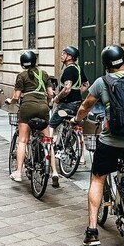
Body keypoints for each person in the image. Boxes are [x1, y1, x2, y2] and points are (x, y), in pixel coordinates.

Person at [71, 45, 124, 246]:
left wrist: (76, 120)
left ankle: (92, 231)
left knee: (97, 179)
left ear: (106, 65)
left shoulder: (101, 82)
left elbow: (85, 106)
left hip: (111, 142)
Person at [4, 50, 54, 182]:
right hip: (43, 108)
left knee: (23, 140)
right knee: (47, 139)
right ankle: (53, 171)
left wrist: (11, 101)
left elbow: (16, 96)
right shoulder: (44, 74)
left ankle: (19, 172)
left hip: (27, 108)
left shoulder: (21, 76)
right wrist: (47, 102)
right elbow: (50, 94)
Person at [48, 45, 84, 188]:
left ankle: (48, 148)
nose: (61, 55)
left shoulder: (69, 70)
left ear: (69, 56)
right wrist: (78, 93)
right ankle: (68, 145)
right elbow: (86, 85)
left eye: (64, 54)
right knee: (70, 124)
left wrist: (56, 98)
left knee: (51, 126)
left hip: (66, 106)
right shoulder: (79, 69)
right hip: (77, 105)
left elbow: (67, 89)